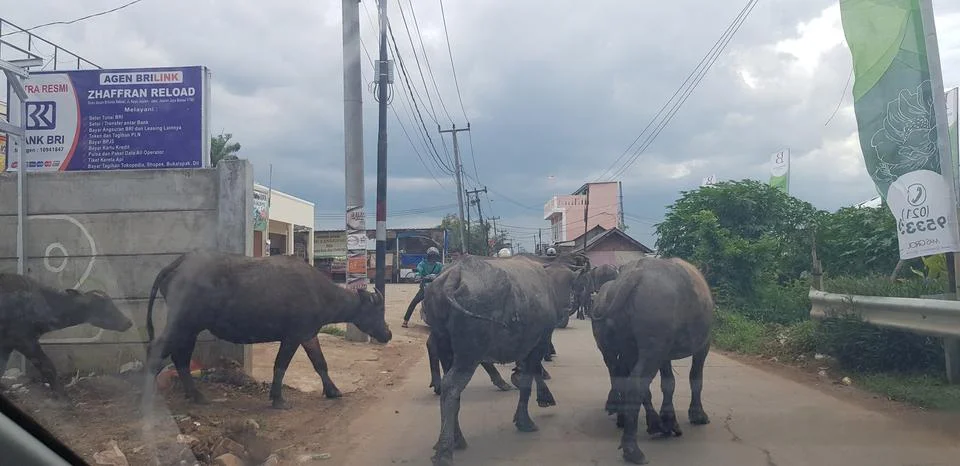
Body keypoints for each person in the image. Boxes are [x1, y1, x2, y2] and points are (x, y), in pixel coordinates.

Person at [402, 246, 443, 328]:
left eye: (435, 256)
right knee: (414, 303)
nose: (433, 258)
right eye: (431, 256)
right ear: (428, 256)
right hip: (425, 288)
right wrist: (418, 276)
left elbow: (443, 272)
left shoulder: (439, 265)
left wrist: (435, 276)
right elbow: (418, 271)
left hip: (436, 288)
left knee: (443, 303)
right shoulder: (422, 264)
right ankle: (405, 321)